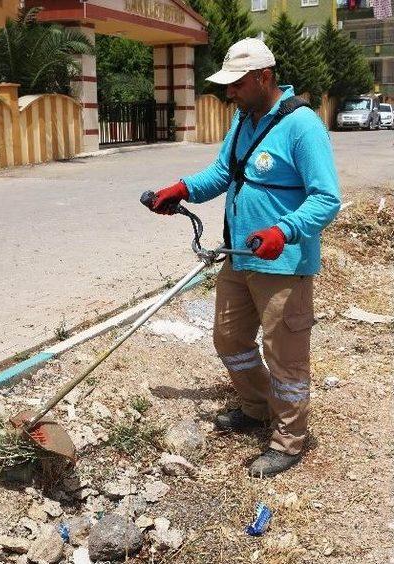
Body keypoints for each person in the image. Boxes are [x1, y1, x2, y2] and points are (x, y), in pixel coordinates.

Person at [146, 38, 341, 478]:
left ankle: (289, 440)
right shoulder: (244, 119)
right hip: (239, 256)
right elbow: (221, 173)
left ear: (264, 77)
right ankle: (256, 407)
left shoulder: (302, 125)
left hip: (284, 265)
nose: (229, 92)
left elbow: (327, 198)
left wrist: (284, 230)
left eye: (237, 84)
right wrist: (181, 189)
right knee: (229, 339)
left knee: (285, 357)